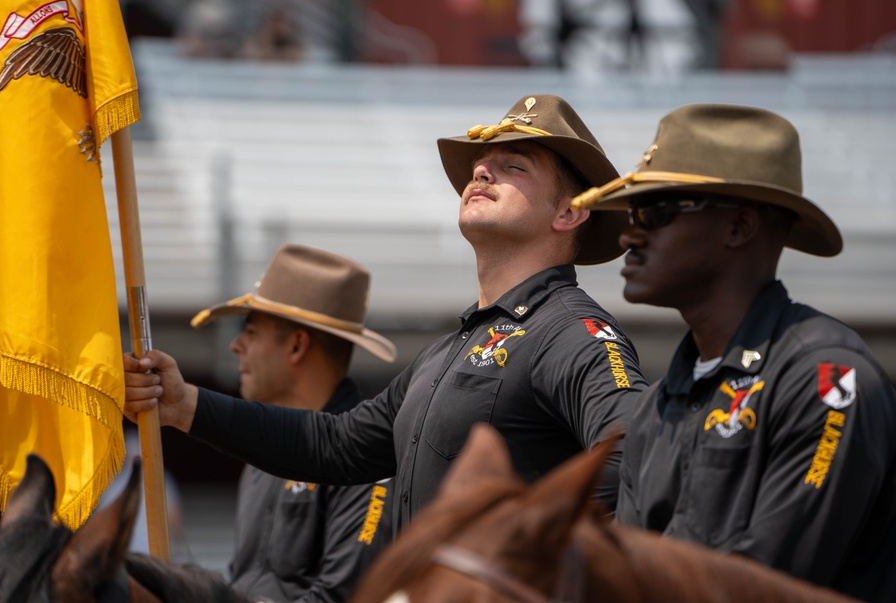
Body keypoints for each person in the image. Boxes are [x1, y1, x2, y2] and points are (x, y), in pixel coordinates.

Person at [124, 94, 647, 534]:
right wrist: (185, 404)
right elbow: (336, 444)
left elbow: (633, 457)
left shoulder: (573, 331)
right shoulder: (449, 348)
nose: (481, 170)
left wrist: (506, 552)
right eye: (482, 164)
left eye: (514, 167)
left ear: (569, 211)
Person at [571, 103, 896, 602]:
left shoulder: (828, 381)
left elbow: (769, 585)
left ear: (740, 227)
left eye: (655, 212)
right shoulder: (655, 407)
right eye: (633, 214)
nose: (629, 234)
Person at [190, 244, 397, 603]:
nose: (235, 345)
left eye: (250, 332)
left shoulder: (370, 463)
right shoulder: (259, 454)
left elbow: (343, 596)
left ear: (297, 346)